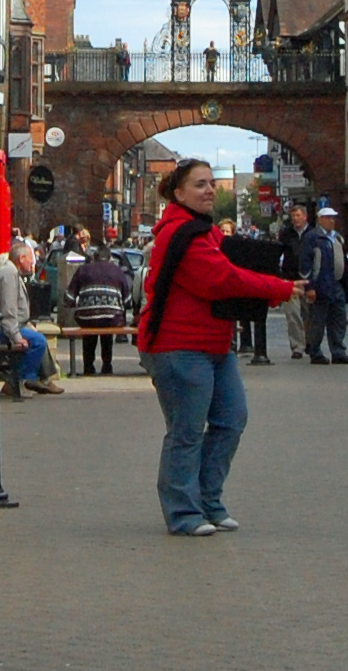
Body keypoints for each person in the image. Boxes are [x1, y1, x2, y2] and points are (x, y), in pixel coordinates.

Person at [135, 159, 302, 535]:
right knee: (187, 431)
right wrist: (280, 288)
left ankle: (208, 501)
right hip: (177, 346)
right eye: (200, 184)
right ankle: (184, 512)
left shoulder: (205, 232)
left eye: (211, 183)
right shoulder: (181, 233)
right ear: (178, 194)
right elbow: (220, 280)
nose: (210, 190)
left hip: (214, 344)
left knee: (231, 419)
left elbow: (230, 266)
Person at [0, 240, 63, 394]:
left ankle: (29, 381)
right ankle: (24, 379)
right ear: (21, 259)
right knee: (38, 341)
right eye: (31, 259)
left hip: (5, 326)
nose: (33, 262)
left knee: (36, 337)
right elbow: (9, 310)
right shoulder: (9, 274)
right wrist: (16, 336)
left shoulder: (12, 273)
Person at [298, 206, 348, 365]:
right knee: (318, 321)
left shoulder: (337, 237)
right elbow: (305, 263)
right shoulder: (312, 238)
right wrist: (310, 287)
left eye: (333, 218)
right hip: (320, 284)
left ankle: (338, 352)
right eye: (328, 218)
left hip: (336, 284)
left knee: (339, 320)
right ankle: (315, 352)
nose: (332, 221)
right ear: (320, 220)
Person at [67, 245, 134, 375]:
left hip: (87, 318)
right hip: (112, 318)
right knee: (108, 328)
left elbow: (69, 297)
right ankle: (107, 366)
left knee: (89, 327)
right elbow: (127, 301)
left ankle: (88, 366)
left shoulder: (83, 270)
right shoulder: (118, 271)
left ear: (94, 258)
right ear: (110, 258)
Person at [281, 204, 313, 358]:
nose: (295, 219)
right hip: (290, 278)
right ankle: (297, 346)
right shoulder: (286, 234)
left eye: (298, 216)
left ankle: (311, 343)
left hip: (309, 279)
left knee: (310, 315)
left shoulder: (313, 234)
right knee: (293, 315)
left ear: (305, 217)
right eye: (293, 216)